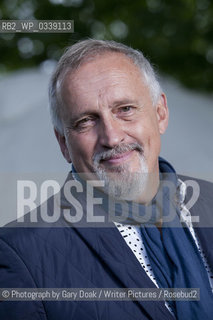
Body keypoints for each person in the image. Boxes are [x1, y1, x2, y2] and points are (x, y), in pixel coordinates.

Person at [0, 39, 213, 320]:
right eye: (86, 121)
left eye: (125, 109)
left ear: (160, 114)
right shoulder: (18, 252)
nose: (111, 137)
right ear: (63, 143)